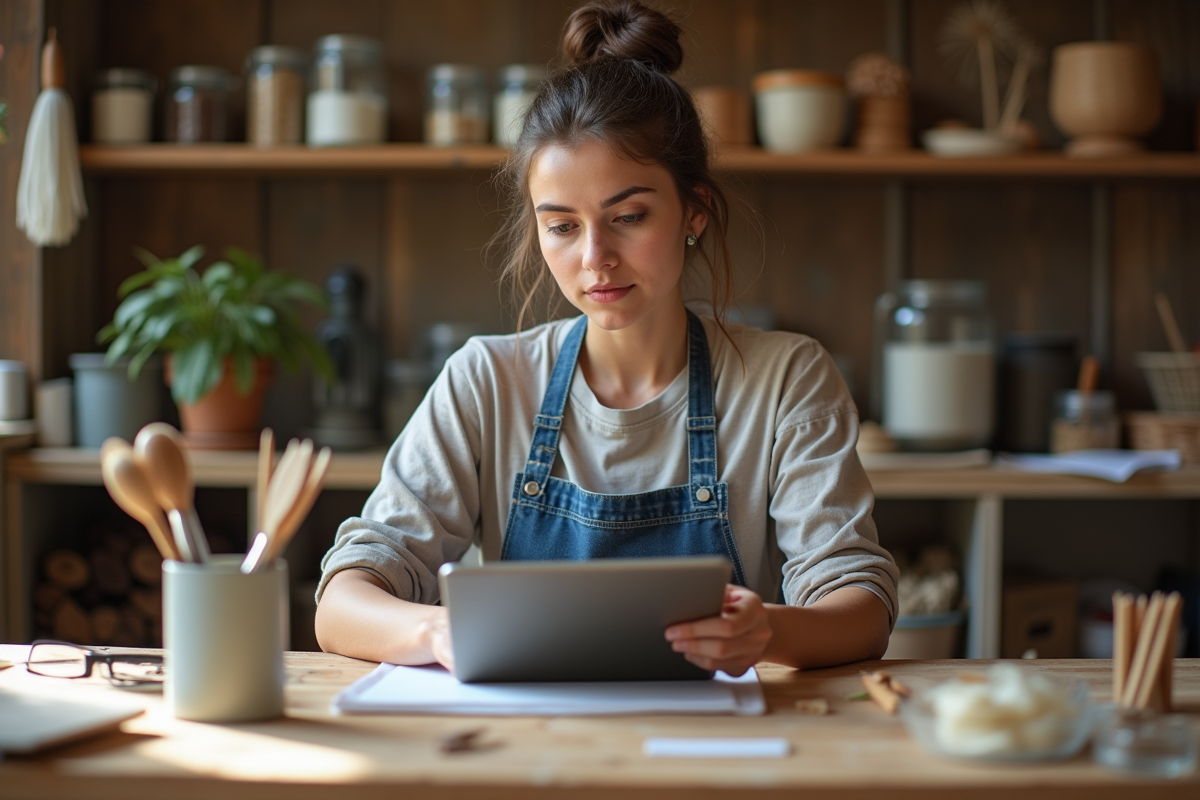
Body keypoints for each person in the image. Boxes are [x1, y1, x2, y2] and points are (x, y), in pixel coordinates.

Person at [315, 0, 898, 678]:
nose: (595, 257)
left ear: (695, 212)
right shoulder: (486, 380)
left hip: (715, 754)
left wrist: (765, 631)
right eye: (562, 226)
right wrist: (441, 631)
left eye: (629, 216)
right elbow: (342, 602)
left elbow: (860, 608)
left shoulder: (787, 378)